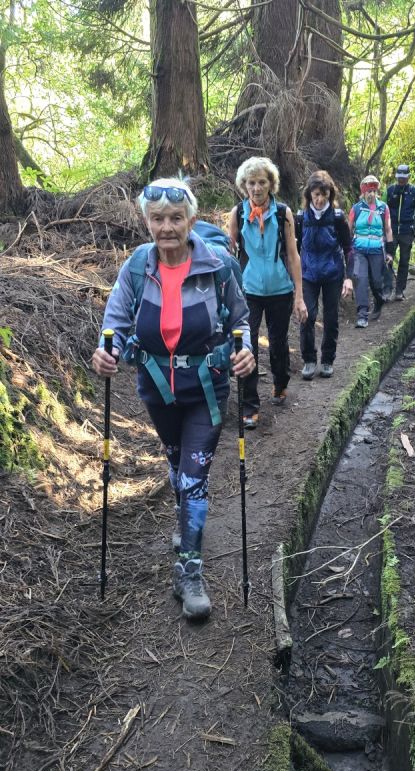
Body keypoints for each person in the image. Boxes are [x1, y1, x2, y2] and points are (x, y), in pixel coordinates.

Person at [91, 177, 255, 622]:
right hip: (157, 389)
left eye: (176, 218)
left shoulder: (218, 266)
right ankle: (185, 516)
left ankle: (189, 573)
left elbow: (240, 321)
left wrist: (245, 352)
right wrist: (105, 352)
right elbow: (115, 322)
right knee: (177, 460)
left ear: (191, 220)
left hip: (206, 389)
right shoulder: (137, 266)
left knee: (194, 476)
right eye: (158, 218)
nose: (167, 227)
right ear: (147, 221)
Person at [228, 157, 307, 429]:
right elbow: (228, 253)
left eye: (262, 182)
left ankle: (280, 383)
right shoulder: (238, 214)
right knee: (246, 345)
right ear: (244, 185)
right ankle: (250, 404)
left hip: (280, 289)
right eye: (251, 183)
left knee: (277, 342)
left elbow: (293, 256)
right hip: (248, 290)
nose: (257, 188)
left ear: (271, 184)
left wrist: (299, 296)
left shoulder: (283, 213)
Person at [295, 171, 353, 380]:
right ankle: (309, 360)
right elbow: (294, 249)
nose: (319, 199)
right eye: (316, 194)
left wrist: (348, 277)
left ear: (330, 195)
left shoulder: (337, 218)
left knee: (330, 318)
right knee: (307, 316)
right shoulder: (300, 218)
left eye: (324, 195)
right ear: (309, 194)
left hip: (332, 273)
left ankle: (327, 360)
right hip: (308, 273)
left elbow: (348, 248)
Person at [348, 175, 394, 328]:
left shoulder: (383, 208)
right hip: (359, 250)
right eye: (368, 191)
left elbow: (388, 230)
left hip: (376, 250)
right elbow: (348, 229)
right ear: (363, 192)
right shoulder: (356, 208)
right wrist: (347, 249)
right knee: (361, 279)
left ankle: (379, 300)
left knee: (376, 281)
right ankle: (362, 315)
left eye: (374, 191)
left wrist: (390, 252)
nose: (371, 194)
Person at [385, 164, 415, 300]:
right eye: (399, 177)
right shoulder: (389, 191)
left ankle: (399, 290)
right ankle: (387, 289)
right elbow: (382, 209)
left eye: (404, 177)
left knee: (404, 261)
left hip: (407, 231)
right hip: (391, 231)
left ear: (408, 177)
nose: (401, 180)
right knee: (387, 259)